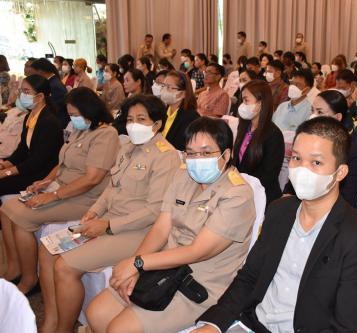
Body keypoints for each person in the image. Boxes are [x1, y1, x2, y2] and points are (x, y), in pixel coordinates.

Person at [192, 117, 357, 333]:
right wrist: (214, 324)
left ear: (340, 173)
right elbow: (248, 278)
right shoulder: (279, 212)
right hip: (253, 324)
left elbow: (348, 326)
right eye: (296, 158)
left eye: (316, 163)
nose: (302, 169)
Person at [86, 117, 256, 333]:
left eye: (206, 153)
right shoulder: (184, 174)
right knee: (96, 312)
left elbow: (198, 252)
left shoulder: (237, 195)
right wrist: (135, 268)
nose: (196, 159)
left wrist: (139, 263)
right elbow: (161, 227)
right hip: (162, 268)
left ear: (227, 154)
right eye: (191, 153)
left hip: (200, 282)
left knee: (121, 329)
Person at [37, 94, 181, 333]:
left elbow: (155, 211)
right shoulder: (127, 147)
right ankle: (51, 320)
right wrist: (94, 211)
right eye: (130, 119)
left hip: (137, 232)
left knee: (64, 266)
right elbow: (112, 187)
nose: (134, 124)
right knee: (48, 248)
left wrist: (108, 225)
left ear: (156, 124)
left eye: (142, 119)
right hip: (107, 222)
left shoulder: (165, 156)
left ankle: (63, 328)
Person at [1, 87, 119, 300]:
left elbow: (91, 179)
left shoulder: (106, 134)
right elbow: (62, 162)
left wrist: (53, 195)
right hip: (62, 188)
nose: (72, 119)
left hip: (85, 197)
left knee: (21, 216)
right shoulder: (80, 129)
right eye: (71, 114)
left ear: (89, 111)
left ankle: (30, 279)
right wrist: (46, 181)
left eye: (75, 114)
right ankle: (14, 267)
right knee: (8, 208)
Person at [284, 90, 357, 209]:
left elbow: (347, 196)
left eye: (320, 112)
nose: (313, 116)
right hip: (300, 206)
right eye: (312, 110)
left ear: (337, 117)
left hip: (334, 214)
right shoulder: (306, 142)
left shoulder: (353, 151)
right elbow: (294, 180)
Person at [0, 75, 63, 197]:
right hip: (29, 167)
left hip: (42, 174)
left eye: (26, 91)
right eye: (21, 90)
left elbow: (38, 161)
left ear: (40, 96)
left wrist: (7, 172)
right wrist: (3, 165)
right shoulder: (30, 116)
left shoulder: (49, 122)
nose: (21, 95)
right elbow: (22, 150)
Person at [234, 80, 285, 203]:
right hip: (242, 191)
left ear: (261, 103)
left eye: (246, 100)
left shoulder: (273, 134)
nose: (242, 105)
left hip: (262, 196)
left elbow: (269, 175)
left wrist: (244, 186)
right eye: (242, 101)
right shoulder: (244, 127)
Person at [159, 70, 200, 151]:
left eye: (169, 87)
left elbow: (180, 148)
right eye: (163, 86)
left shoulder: (191, 118)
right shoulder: (164, 111)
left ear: (183, 93)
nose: (164, 90)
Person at [31, 58, 69, 127]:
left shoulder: (54, 85)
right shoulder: (51, 82)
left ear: (40, 71)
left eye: (34, 73)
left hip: (58, 123)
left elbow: (55, 108)